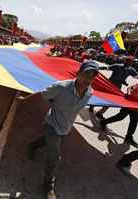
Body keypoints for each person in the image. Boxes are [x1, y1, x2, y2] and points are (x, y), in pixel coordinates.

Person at [18, 61, 99, 199]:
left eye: (92, 76)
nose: (88, 79)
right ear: (78, 73)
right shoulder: (61, 87)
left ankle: (31, 146)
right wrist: (24, 101)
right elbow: (42, 94)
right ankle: (48, 186)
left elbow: (79, 108)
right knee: (54, 158)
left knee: (46, 141)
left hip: (66, 127)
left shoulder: (89, 93)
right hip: (52, 125)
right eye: (86, 74)